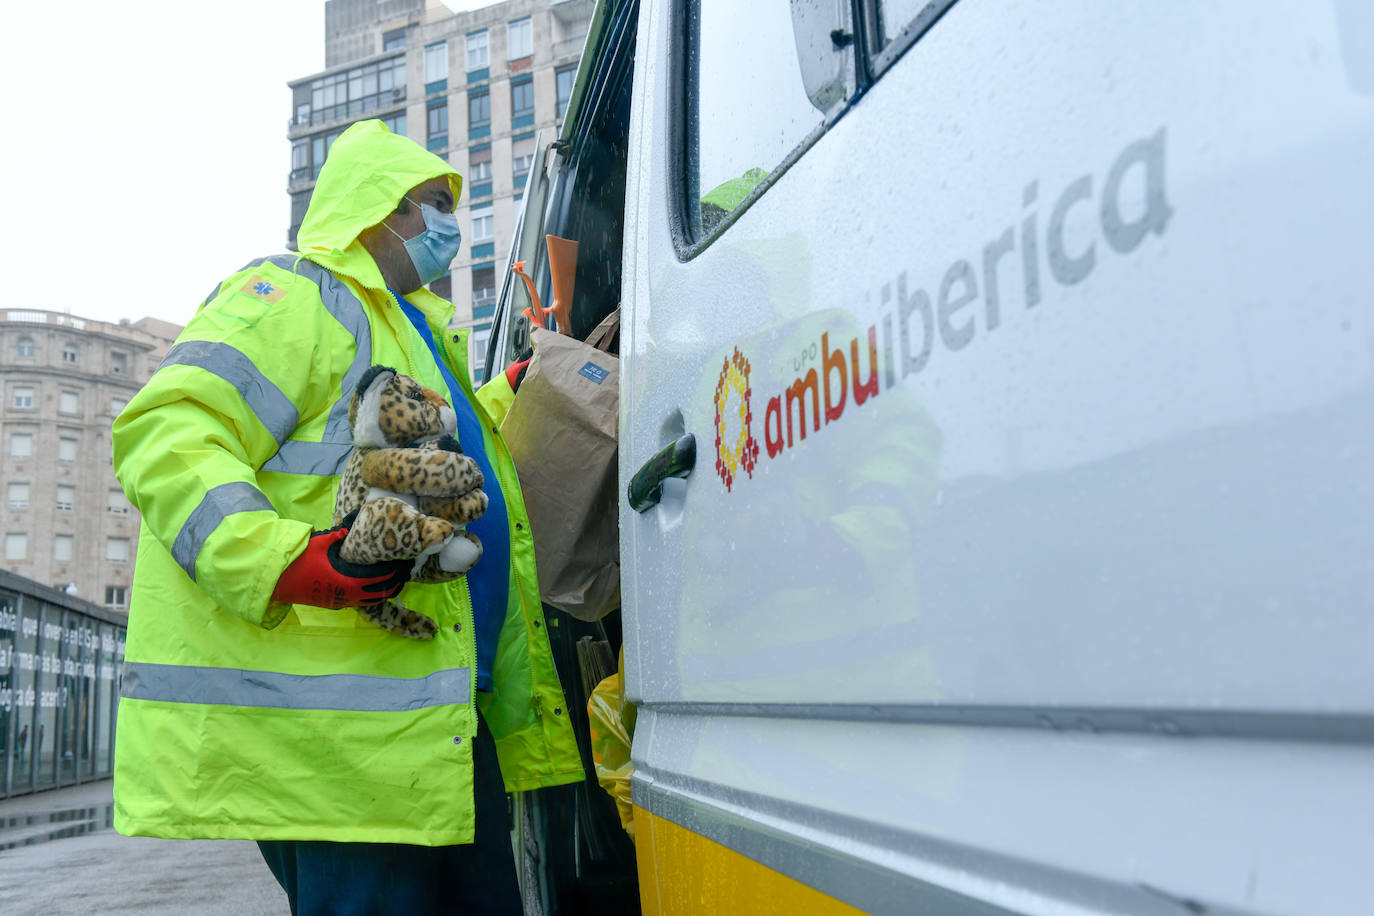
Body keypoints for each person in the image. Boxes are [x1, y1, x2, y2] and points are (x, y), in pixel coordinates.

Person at [111, 119, 584, 915]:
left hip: (433, 720)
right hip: (343, 747)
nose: (448, 225)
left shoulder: (414, 328)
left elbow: (438, 455)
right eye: (434, 202)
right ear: (379, 209)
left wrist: (512, 385)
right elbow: (168, 431)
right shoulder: (297, 294)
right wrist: (280, 560)